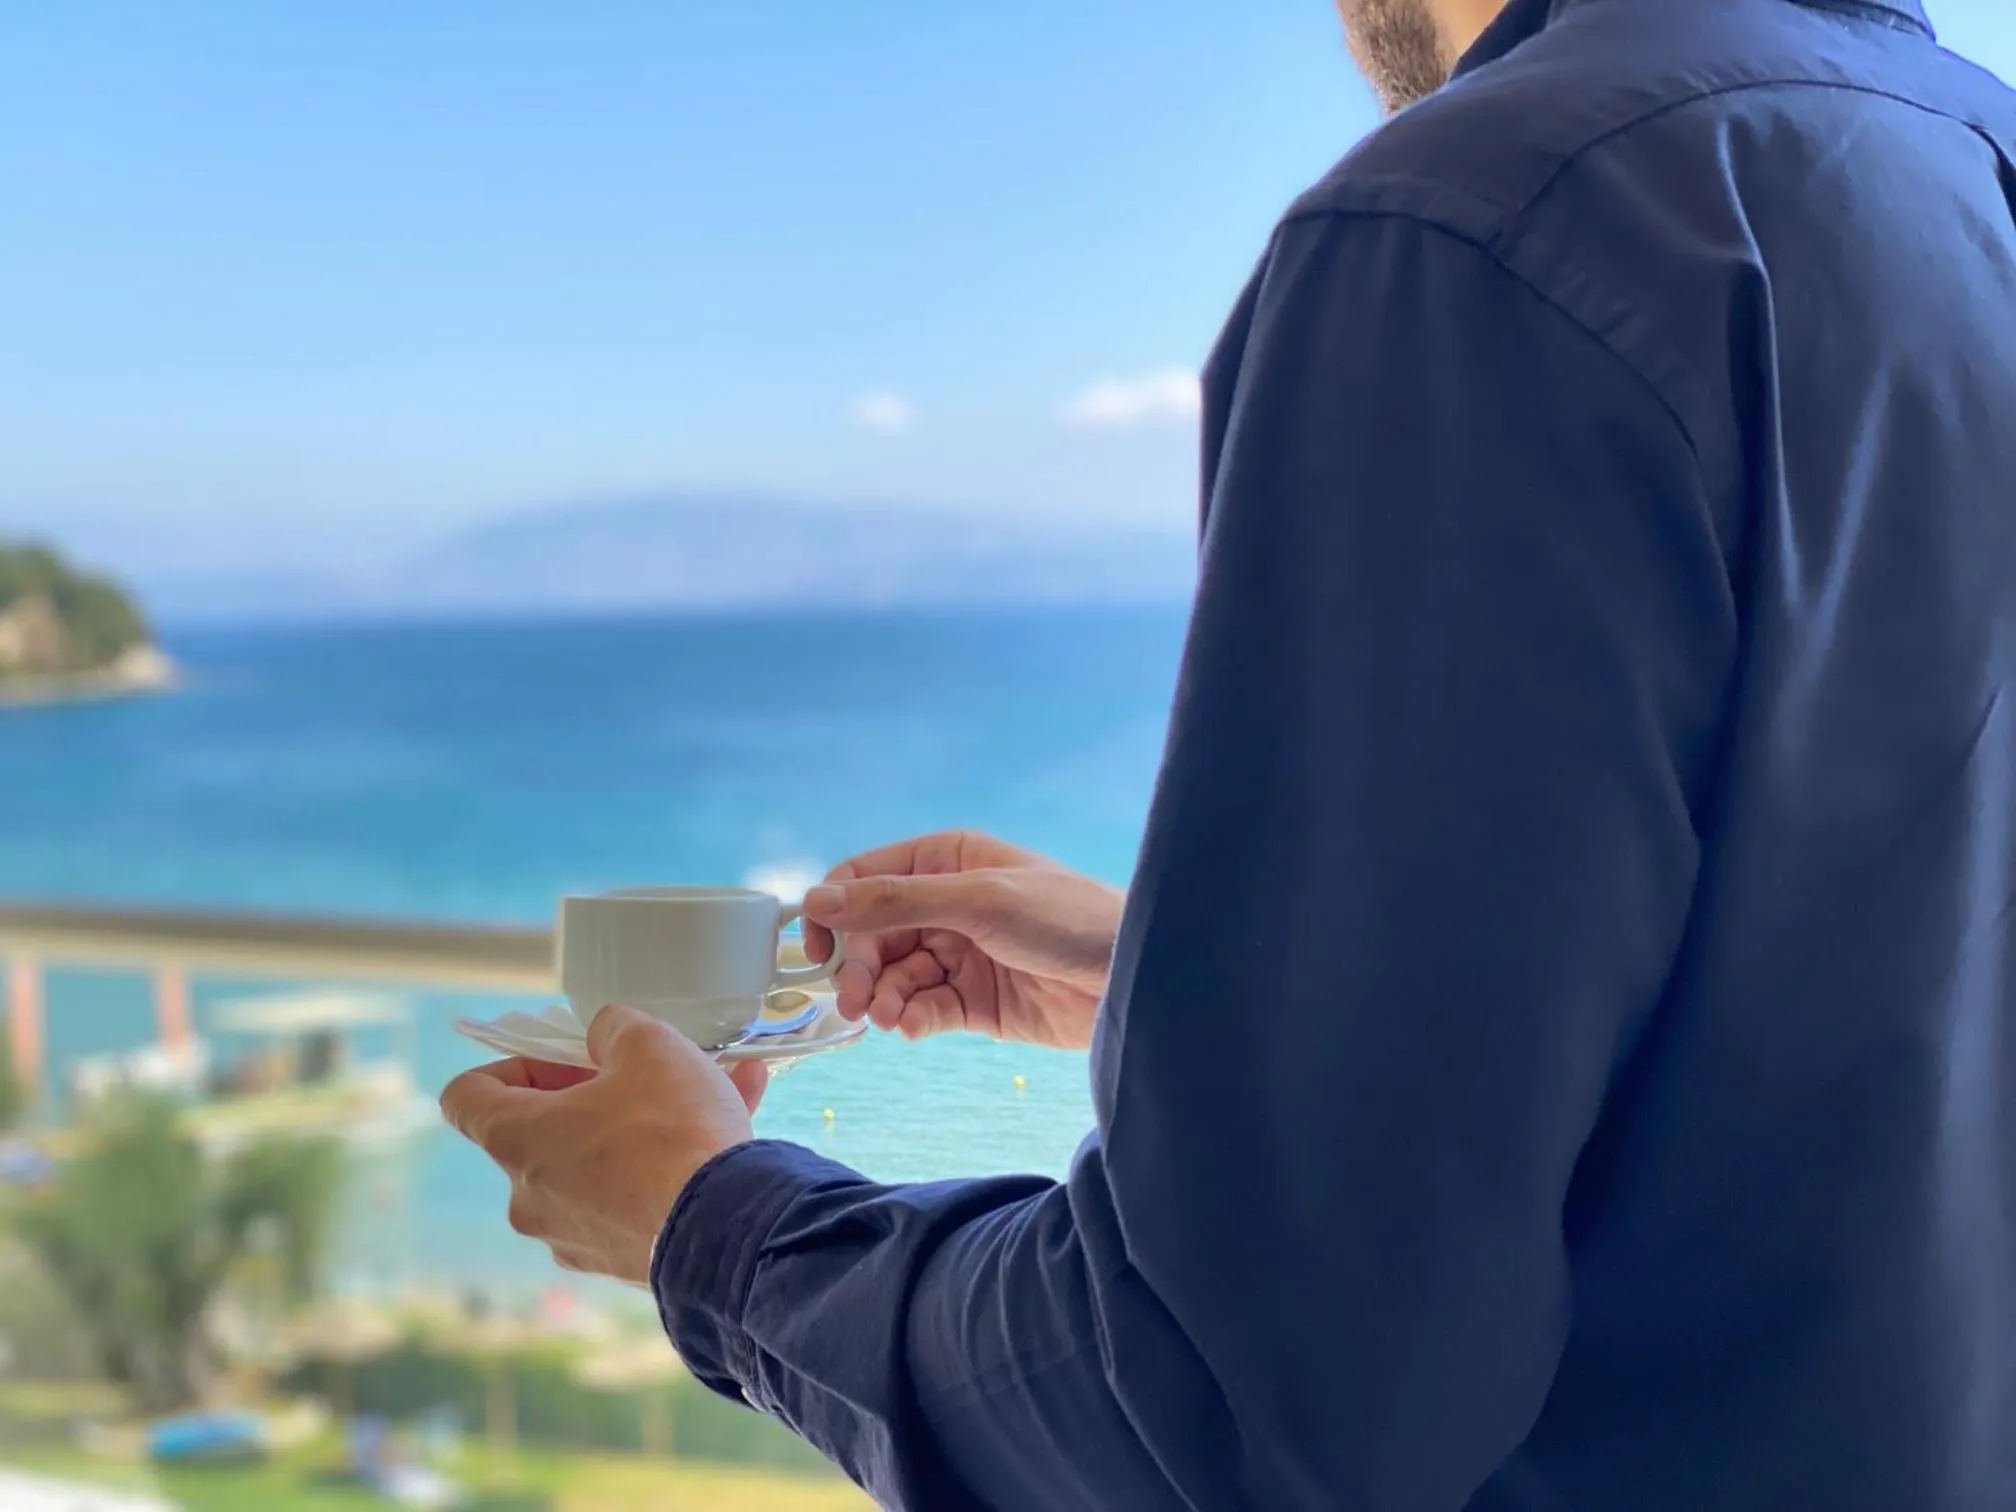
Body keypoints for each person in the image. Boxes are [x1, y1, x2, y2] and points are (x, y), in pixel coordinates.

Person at [441, 0, 2016, 1505]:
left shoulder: (1489, 228)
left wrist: (706, 1225)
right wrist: (1191, 987)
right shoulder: (1964, 168)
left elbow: (1215, 1424)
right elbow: (1849, 1012)